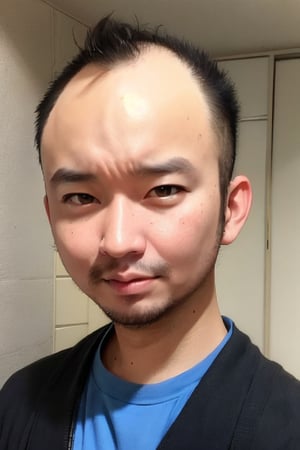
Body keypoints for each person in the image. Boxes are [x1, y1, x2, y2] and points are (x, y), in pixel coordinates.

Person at [0, 15, 299, 450]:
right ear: (51, 215)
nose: (119, 241)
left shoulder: (286, 428)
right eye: (81, 198)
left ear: (231, 209)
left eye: (163, 190)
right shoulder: (19, 405)